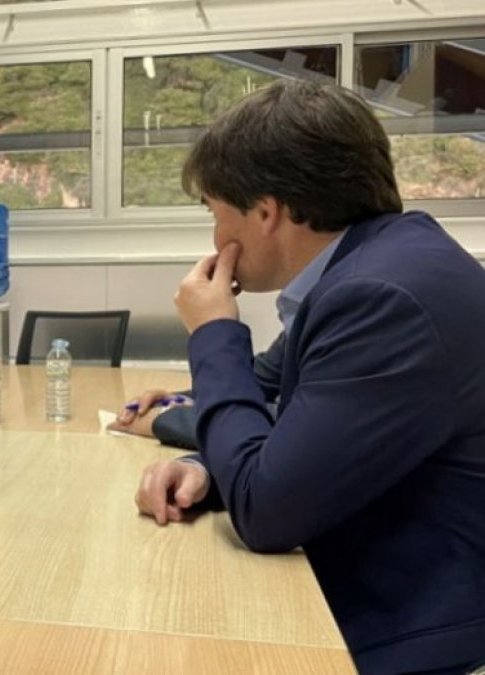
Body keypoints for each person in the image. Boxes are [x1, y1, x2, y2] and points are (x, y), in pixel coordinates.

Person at [132, 79, 485, 673]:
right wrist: (206, 468)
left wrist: (214, 331)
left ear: (266, 212)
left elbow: (266, 511)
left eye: (218, 214)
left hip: (412, 626)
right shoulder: (374, 264)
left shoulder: (381, 299)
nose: (217, 239)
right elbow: (304, 436)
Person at [110, 333, 284, 448]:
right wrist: (176, 399)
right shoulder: (296, 321)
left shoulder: (305, 312)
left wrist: (164, 417)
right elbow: (254, 382)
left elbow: (287, 423)